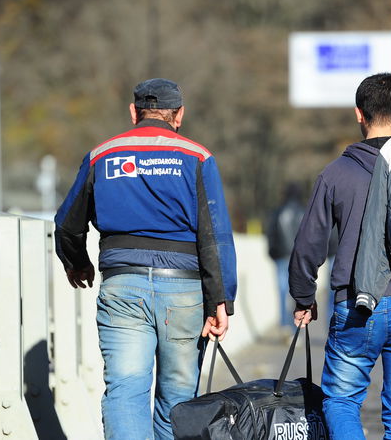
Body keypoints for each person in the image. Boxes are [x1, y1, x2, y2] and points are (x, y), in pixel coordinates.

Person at [54, 78, 237, 440]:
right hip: (184, 293)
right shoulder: (198, 157)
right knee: (178, 399)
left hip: (123, 287)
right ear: (179, 115)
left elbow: (66, 224)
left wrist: (77, 262)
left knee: (125, 390)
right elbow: (214, 234)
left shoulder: (102, 155)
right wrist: (221, 298)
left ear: (133, 112)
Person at [288, 73, 391, 439]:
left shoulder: (336, 173)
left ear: (358, 114)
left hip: (354, 304)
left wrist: (304, 297)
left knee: (341, 401)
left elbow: (308, 245)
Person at [265, 182, 306, 333]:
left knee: (282, 291)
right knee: (298, 293)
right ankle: (296, 328)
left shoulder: (278, 211)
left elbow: (270, 233)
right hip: (299, 259)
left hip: (281, 256)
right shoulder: (304, 212)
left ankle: (284, 325)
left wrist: (272, 252)